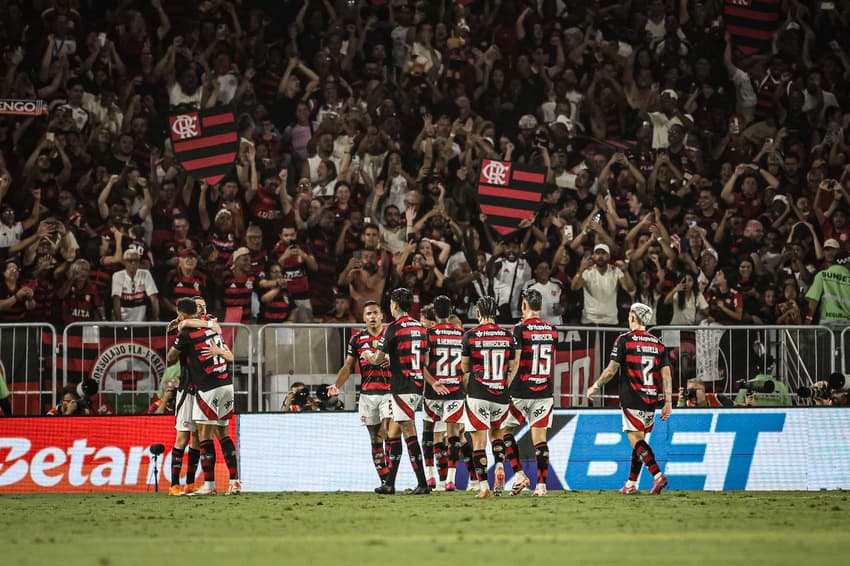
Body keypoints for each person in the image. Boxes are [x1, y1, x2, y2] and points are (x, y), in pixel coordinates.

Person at [363, 288, 448, 495]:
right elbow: (422, 362)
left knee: (409, 433)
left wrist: (367, 353)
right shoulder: (420, 328)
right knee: (393, 434)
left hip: (402, 387)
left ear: (394, 304)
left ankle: (423, 484)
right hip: (417, 386)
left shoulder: (393, 328)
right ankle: (390, 483)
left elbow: (377, 359)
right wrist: (433, 381)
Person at [586, 302, 672, 495]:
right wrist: (668, 402)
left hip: (632, 398)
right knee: (639, 443)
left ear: (633, 317)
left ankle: (658, 476)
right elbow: (666, 376)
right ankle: (631, 483)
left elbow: (611, 371)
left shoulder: (624, 340)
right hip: (651, 401)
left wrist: (595, 386)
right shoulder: (658, 344)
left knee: (637, 442)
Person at [166, 298, 236, 496]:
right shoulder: (194, 327)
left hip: (204, 388)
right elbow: (172, 358)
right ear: (192, 310)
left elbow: (210, 324)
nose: (203, 307)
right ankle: (174, 485)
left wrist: (183, 322)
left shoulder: (207, 323)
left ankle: (190, 484)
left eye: (204, 304)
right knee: (183, 436)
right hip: (187, 388)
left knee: (198, 438)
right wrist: (181, 324)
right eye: (198, 305)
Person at [328, 301, 393, 485]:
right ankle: (385, 481)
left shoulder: (390, 336)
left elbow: (404, 360)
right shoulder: (357, 340)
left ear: (382, 316)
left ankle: (391, 478)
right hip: (367, 394)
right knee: (375, 437)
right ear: (364, 318)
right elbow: (348, 366)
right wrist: (336, 386)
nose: (372, 316)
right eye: (368, 314)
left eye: (375, 313)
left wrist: (392, 361)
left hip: (389, 392)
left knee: (387, 432)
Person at [503, 289, 559, 497]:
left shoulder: (519, 330)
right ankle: (542, 486)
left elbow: (516, 362)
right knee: (540, 440)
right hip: (543, 390)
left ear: (523, 306)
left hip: (520, 390)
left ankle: (519, 475)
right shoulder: (553, 330)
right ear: (541, 306)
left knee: (505, 433)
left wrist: (506, 386)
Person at [462, 296, 514, 498]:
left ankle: (484, 487)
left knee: (478, 443)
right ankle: (500, 465)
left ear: (477, 313)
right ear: (496, 313)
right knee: (497, 436)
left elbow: (465, 368)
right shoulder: (507, 336)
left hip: (478, 393)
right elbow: (510, 366)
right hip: (501, 394)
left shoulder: (470, 336)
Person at [420, 296, 465, 492]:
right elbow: (465, 365)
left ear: (435, 314)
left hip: (434, 391)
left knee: (429, 430)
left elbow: (422, 364)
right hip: (455, 389)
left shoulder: (429, 334)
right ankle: (450, 480)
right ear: (450, 311)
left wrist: (434, 382)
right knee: (454, 434)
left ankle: (430, 476)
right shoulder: (461, 334)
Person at [111, 249, 159, 321]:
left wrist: (156, 319)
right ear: (124, 262)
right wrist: (119, 323)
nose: (133, 263)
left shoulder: (145, 274)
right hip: (124, 321)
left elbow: (154, 299)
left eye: (136, 260)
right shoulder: (117, 276)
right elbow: (116, 301)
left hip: (141, 322)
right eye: (130, 261)